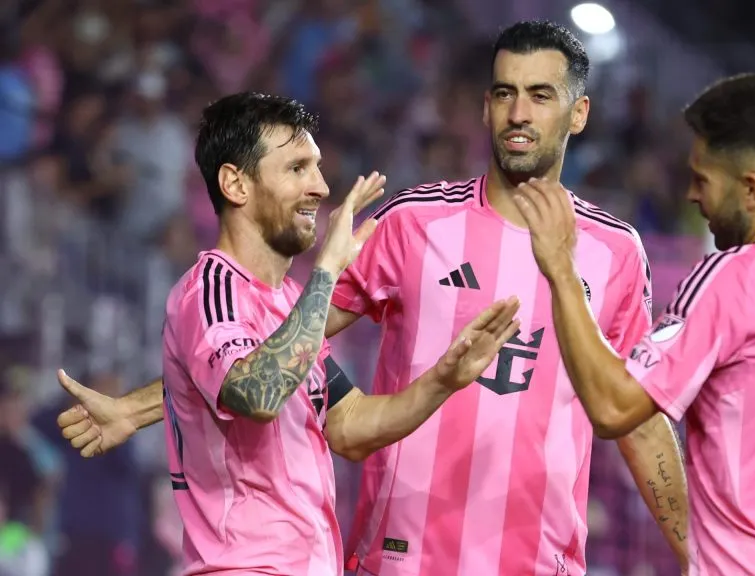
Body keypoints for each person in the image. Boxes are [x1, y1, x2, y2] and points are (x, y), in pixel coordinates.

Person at [55, 21, 690, 575]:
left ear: (577, 114)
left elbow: (636, 415)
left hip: (540, 560)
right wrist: (139, 408)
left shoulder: (616, 252)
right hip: (400, 558)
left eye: (541, 96)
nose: (519, 113)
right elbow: (284, 342)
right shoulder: (412, 224)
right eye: (504, 93)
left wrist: (699, 554)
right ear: (485, 107)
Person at [57, 91, 520, 575]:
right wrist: (327, 272)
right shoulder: (210, 290)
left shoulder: (283, 307)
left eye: (317, 168)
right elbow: (256, 393)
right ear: (236, 184)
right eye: (297, 168)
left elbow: (350, 424)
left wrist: (443, 379)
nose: (320, 187)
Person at [512, 73, 755, 574]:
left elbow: (612, 408)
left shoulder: (731, 280)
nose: (693, 196)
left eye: (703, 179)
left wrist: (562, 268)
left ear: (752, 190)